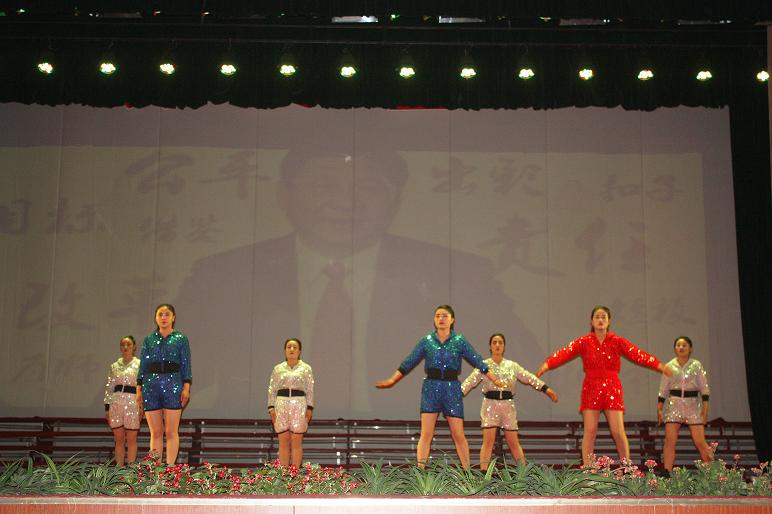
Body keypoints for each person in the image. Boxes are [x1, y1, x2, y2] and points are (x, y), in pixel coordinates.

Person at [174, 138, 536, 419]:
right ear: (285, 195)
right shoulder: (220, 276)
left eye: (367, 188)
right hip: (267, 438)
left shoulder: (465, 274)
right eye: (324, 186)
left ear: (395, 201)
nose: (345, 202)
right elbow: (189, 373)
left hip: (397, 439)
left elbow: (523, 366)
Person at [535, 305, 672, 466]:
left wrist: (658, 365)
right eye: (597, 317)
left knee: (618, 431)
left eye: (603, 317)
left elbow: (637, 354)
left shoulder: (617, 341)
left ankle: (627, 468)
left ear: (609, 321)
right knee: (590, 431)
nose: (600, 320)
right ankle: (588, 469)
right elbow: (565, 352)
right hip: (591, 387)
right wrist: (547, 364)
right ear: (591, 321)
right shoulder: (584, 342)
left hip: (612, 387)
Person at [375, 305, 505, 469]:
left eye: (445, 316)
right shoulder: (427, 341)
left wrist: (495, 379)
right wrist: (392, 380)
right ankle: (420, 472)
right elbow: (410, 361)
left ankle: (467, 473)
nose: (441, 319)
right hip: (431, 388)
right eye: (437, 316)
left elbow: (477, 360)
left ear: (452, 320)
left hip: (452, 389)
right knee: (426, 434)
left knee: (458, 434)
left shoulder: (459, 341)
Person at [461, 333, 558, 469]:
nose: (497, 345)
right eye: (494, 342)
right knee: (488, 442)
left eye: (500, 342)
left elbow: (528, 377)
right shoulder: (483, 365)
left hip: (507, 405)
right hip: (490, 404)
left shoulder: (512, 365)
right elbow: (470, 381)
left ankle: (523, 473)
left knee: (513, 442)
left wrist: (546, 389)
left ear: (504, 347)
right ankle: (483, 474)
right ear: (490, 346)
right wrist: (457, 394)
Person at [136, 304, 192, 465]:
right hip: (150, 386)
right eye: (160, 314)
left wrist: (186, 387)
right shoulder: (149, 339)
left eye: (167, 314)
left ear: (173, 317)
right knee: (155, 432)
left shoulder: (181, 339)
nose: (163, 317)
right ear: (155, 318)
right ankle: (156, 469)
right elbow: (143, 365)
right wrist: (139, 389)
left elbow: (186, 364)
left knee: (171, 431)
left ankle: (170, 469)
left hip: (173, 385)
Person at [657, 336, 712, 471]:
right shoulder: (669, 366)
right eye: (678, 345)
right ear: (675, 348)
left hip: (692, 405)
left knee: (700, 441)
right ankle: (667, 472)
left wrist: (705, 407)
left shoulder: (696, 365)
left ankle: (712, 471)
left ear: (690, 348)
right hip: (674, 405)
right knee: (670, 440)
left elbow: (704, 387)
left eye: (684, 345)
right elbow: (663, 389)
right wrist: (660, 408)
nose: (681, 347)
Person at [267, 338, 314, 467]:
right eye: (289, 347)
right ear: (284, 350)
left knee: (296, 440)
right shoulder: (278, 369)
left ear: (299, 351)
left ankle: (295, 473)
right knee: (283, 441)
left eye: (295, 347)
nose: (291, 349)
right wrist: (271, 408)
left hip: (299, 405)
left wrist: (310, 408)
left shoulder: (306, 368)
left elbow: (310, 389)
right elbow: (272, 390)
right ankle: (284, 474)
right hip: (281, 404)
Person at [103, 335, 142, 466]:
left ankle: (131, 469)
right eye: (123, 344)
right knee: (119, 439)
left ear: (134, 347)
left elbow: (142, 387)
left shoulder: (139, 365)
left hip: (132, 403)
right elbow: (109, 387)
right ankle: (119, 469)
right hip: (116, 403)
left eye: (128, 344)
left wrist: (142, 406)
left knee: (131, 439)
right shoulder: (114, 366)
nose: (125, 347)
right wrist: (107, 408)